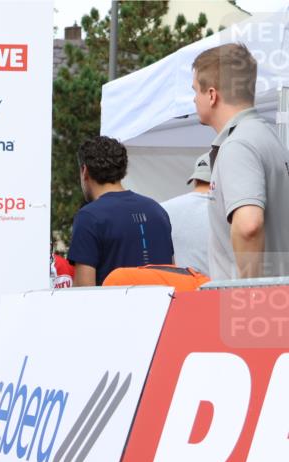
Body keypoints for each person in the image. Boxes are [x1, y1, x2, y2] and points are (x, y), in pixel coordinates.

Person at [192, 43, 289, 279]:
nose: (194, 99)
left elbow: (248, 226)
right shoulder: (270, 139)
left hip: (248, 307)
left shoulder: (237, 145)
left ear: (212, 95)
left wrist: (247, 296)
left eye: (195, 90)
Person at [67, 136, 174, 286]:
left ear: (84, 170)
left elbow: (84, 292)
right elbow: (173, 271)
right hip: (162, 307)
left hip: (114, 308)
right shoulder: (157, 210)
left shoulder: (89, 217)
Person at [159, 154, 212, 272]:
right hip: (220, 286)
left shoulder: (162, 209)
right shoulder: (231, 210)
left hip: (181, 286)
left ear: (195, 180)